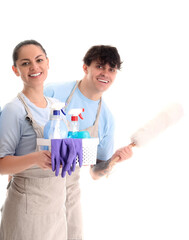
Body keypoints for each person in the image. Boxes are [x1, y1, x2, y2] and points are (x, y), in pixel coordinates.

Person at [44, 45, 133, 240]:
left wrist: (113, 160)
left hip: (69, 190)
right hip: (37, 181)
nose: (106, 74)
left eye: (112, 69)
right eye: (100, 66)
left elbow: (95, 173)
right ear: (86, 68)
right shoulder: (52, 92)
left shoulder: (107, 119)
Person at [0, 40, 68, 240]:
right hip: (26, 208)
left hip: (56, 207)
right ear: (15, 70)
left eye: (39, 60)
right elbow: (2, 166)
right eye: (26, 63)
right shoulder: (14, 109)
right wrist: (35, 158)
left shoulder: (57, 107)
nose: (34, 67)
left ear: (47, 63)